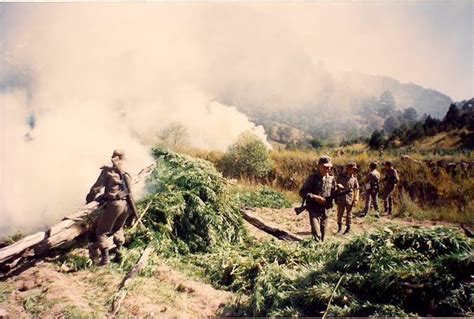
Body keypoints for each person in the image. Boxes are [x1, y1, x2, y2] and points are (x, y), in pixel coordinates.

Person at [86, 149, 133, 265]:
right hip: (126, 205)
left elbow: (96, 188)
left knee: (102, 232)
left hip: (114, 205)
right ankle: (118, 253)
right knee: (118, 229)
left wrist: (89, 200)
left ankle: (105, 259)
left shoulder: (108, 171)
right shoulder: (127, 171)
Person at [299, 156, 336, 241]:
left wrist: (339, 191)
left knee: (323, 235)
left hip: (326, 210)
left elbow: (333, 191)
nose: (327, 169)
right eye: (324, 167)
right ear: (319, 166)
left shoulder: (331, 178)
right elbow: (302, 192)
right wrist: (315, 197)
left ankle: (320, 251)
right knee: (316, 234)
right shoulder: (313, 178)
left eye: (329, 167)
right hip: (314, 209)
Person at [335, 162, 359, 234]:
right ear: (348, 168)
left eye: (355, 169)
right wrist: (336, 197)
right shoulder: (341, 176)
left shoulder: (354, 178)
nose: (354, 171)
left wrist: (356, 199)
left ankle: (348, 228)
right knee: (340, 214)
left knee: (349, 214)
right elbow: (335, 186)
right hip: (341, 198)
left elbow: (356, 189)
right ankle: (339, 228)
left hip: (350, 199)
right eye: (353, 169)